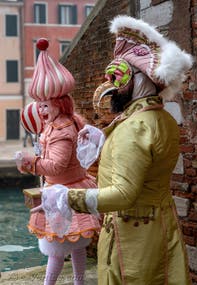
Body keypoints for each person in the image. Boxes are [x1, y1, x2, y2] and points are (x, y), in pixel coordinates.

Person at [27, 16, 193, 285]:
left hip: (132, 235)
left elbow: (124, 194)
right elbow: (145, 160)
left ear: (139, 79)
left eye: (117, 75)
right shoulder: (161, 118)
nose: (109, 83)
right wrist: (103, 137)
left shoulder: (134, 128)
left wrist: (65, 198)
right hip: (160, 225)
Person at [16, 38, 100, 285]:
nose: (40, 110)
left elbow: (56, 166)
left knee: (55, 246)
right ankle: (79, 282)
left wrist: (31, 162)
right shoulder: (70, 121)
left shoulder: (63, 130)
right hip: (73, 187)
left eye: (44, 105)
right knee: (76, 244)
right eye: (39, 105)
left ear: (58, 103)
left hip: (64, 194)